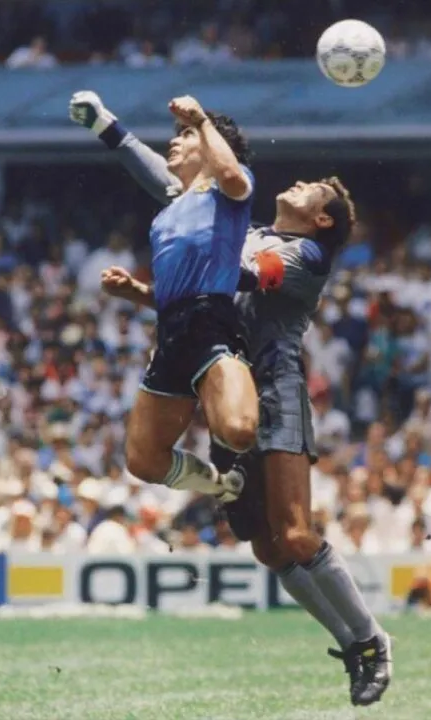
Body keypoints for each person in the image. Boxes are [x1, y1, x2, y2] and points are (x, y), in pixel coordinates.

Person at [69, 91, 392, 707]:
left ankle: (371, 638)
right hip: (226, 368)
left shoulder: (306, 254)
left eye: (311, 189)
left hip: (274, 384)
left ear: (323, 218)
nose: (297, 183)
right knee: (269, 547)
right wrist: (146, 291)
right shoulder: (251, 228)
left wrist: (199, 185)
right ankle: (350, 644)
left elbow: (241, 274)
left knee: (296, 534)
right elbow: (194, 251)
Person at [68, 91, 258, 505]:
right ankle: (221, 486)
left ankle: (259, 437)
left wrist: (203, 120)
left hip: (213, 324)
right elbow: (143, 163)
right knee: (143, 461)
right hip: (171, 330)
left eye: (185, 135)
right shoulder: (170, 210)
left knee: (239, 431)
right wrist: (136, 292)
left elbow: (227, 173)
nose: (174, 140)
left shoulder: (230, 189)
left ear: (209, 145)